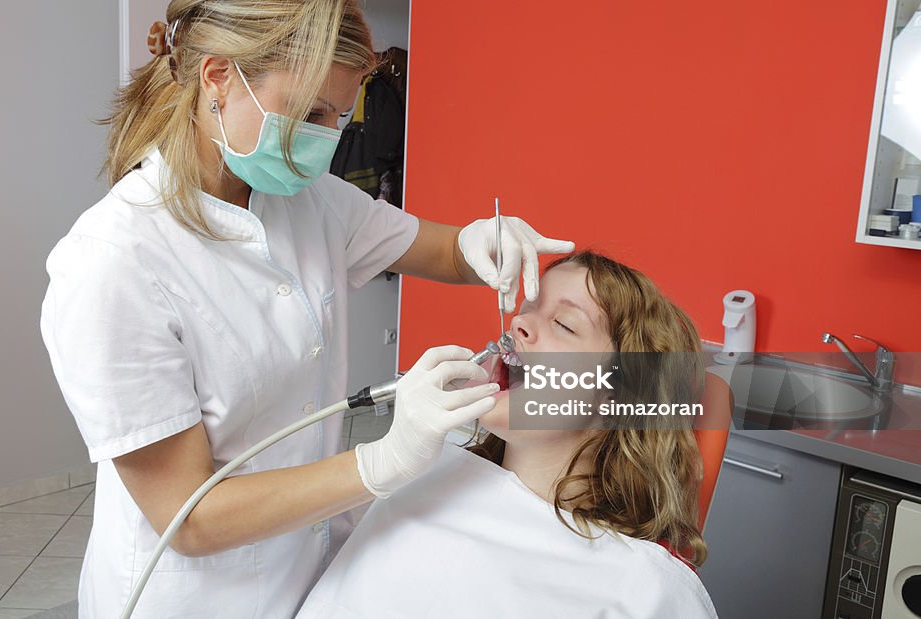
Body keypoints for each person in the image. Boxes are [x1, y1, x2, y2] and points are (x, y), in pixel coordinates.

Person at [38, 0, 574, 618]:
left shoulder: (308, 198)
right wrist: (379, 463)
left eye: (340, 116)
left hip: (315, 578)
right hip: (192, 599)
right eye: (309, 112)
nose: (327, 138)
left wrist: (479, 241)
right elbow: (191, 517)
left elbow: (440, 253)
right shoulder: (113, 264)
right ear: (217, 79)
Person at [298, 251, 719, 618]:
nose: (518, 322)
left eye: (564, 324)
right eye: (526, 307)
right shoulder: (425, 470)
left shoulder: (643, 589)